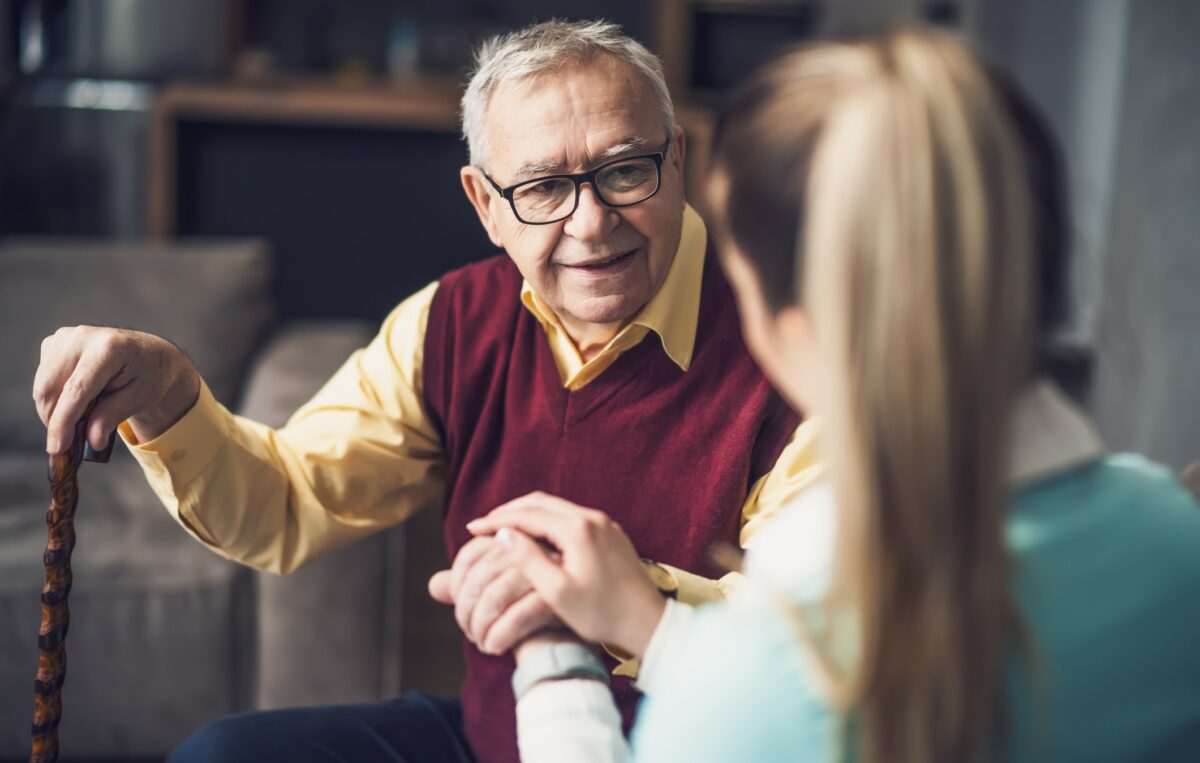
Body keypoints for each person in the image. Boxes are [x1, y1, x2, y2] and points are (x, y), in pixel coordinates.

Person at [31, 19, 820, 763]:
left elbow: (815, 657)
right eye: (543, 188)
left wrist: (614, 592)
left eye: (623, 171)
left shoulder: (795, 343)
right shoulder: (449, 321)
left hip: (705, 744)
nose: (589, 223)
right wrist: (170, 395)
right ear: (485, 204)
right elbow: (288, 501)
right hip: (495, 736)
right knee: (222, 754)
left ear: (678, 159)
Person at [467, 28, 1200, 762]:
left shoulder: (768, 676)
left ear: (798, 319)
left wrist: (553, 656)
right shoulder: (1176, 537)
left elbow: (774, 707)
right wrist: (654, 627)